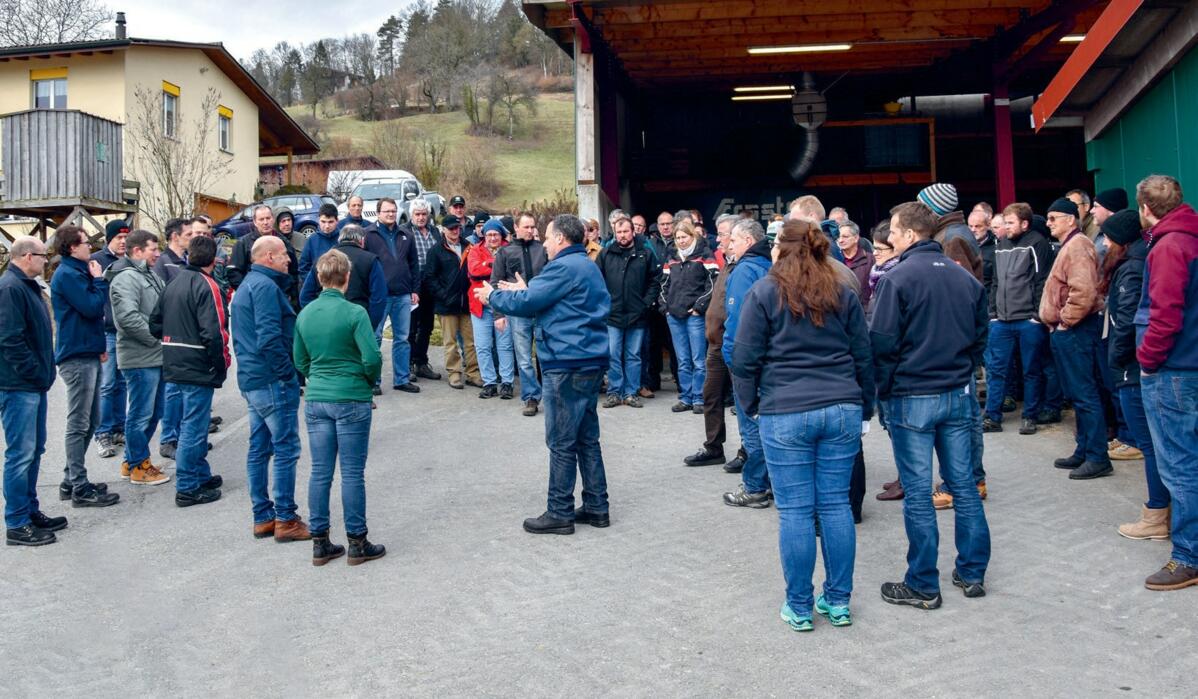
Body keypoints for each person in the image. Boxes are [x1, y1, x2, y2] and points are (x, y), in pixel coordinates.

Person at [731, 219, 874, 630]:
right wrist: (865, 408)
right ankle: (839, 600)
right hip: (841, 406)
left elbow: (743, 360)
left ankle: (798, 605)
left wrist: (753, 406)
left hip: (785, 409)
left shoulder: (764, 292)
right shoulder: (841, 291)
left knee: (795, 511)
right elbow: (863, 354)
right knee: (835, 506)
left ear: (780, 248)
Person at [871, 201, 990, 609]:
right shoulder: (963, 278)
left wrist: (883, 391)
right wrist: (964, 370)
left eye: (894, 232)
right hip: (957, 394)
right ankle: (972, 572)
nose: (890, 239)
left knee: (919, 493)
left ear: (907, 235)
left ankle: (923, 582)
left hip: (912, 396)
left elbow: (882, 343)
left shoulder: (897, 278)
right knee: (964, 488)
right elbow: (979, 335)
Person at [476, 214, 612, 535]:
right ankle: (596, 506)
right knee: (586, 438)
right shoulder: (585, 265)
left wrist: (492, 296)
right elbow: (550, 299)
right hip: (587, 360)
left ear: (562, 239)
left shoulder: (564, 267)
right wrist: (527, 290)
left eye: (548, 237)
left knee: (562, 440)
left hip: (566, 363)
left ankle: (559, 511)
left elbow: (531, 302)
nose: (545, 243)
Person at [294, 249, 386, 566]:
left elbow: (300, 359)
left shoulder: (305, 314)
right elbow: (372, 357)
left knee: (320, 472)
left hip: (318, 396)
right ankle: (357, 542)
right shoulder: (355, 313)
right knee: (351, 473)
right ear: (347, 278)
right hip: (351, 395)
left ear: (319, 278)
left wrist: (316, 376)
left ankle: (320, 541)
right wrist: (365, 380)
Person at [1133, 174, 1198, 591]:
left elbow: (1166, 312)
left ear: (1145, 209)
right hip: (1185, 363)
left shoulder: (1169, 246)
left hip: (1173, 368)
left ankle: (1188, 555)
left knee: (1179, 464)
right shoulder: (1187, 236)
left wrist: (1147, 359)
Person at [230, 236, 312, 540]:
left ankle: (263, 516)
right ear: (267, 257)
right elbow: (268, 338)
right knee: (285, 448)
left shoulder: (249, 285)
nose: (288, 259)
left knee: (259, 447)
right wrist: (287, 375)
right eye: (283, 255)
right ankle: (285, 519)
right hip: (270, 380)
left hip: (254, 379)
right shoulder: (264, 288)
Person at [1096, 210, 1164, 541]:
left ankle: (1156, 516)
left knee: (1150, 446)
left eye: (1107, 237)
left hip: (1133, 369)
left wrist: (1116, 360)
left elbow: (1126, 323)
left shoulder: (1132, 269)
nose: (1104, 242)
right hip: (1135, 366)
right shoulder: (1137, 261)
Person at [150, 236, 228, 507]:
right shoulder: (207, 285)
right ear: (212, 259)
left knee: (190, 424)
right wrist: (220, 364)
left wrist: (173, 337)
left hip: (174, 359)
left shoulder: (174, 283)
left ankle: (199, 473)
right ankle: (187, 486)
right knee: (193, 428)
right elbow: (214, 331)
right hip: (196, 362)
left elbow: (154, 323)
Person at [1, 237, 67, 545]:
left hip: (32, 384)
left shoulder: (25, 285)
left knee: (34, 451)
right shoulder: (11, 289)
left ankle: (29, 510)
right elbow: (10, 340)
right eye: (43, 256)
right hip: (18, 386)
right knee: (21, 454)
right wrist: (33, 371)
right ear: (28, 256)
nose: (46, 262)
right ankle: (16, 522)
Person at [1039, 197, 1111, 480]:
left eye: (1053, 218)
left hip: (1075, 330)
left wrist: (1066, 322)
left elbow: (1083, 292)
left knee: (1084, 394)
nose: (1048, 223)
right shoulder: (1073, 245)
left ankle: (1097, 456)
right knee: (1079, 394)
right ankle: (1084, 450)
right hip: (1069, 330)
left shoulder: (1078, 246)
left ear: (1071, 219)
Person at [50, 226, 121, 508]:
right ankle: (79, 486)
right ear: (71, 247)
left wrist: (99, 348)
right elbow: (93, 309)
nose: (89, 247)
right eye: (84, 243)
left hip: (88, 350)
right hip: (76, 355)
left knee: (91, 420)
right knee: (79, 422)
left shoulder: (77, 272)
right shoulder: (68, 275)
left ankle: (70, 480)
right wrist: (99, 281)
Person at [107, 229, 170, 486]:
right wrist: (157, 339)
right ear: (137, 252)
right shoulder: (125, 279)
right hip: (140, 357)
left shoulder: (150, 275)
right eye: (153, 249)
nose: (157, 254)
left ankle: (133, 460)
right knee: (141, 414)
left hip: (156, 356)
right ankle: (138, 465)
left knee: (155, 411)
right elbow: (128, 319)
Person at [684, 214, 747, 471]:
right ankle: (713, 447)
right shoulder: (728, 264)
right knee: (710, 395)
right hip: (716, 344)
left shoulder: (745, 267)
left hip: (734, 343)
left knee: (743, 402)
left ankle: (747, 452)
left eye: (723, 235)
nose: (718, 239)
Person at [984, 202, 1054, 435]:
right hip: (1001, 321)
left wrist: (1036, 315)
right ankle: (992, 416)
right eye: (1004, 222)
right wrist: (993, 314)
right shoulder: (1000, 245)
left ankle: (1030, 416)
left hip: (1027, 320)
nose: (1005, 226)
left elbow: (1041, 281)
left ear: (1025, 223)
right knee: (996, 369)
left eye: (1010, 222)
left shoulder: (1037, 243)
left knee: (1031, 369)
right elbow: (995, 282)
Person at [721, 219, 773, 509]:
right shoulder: (769, 266)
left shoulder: (744, 270)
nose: (730, 245)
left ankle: (755, 487)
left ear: (748, 242)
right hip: (766, 357)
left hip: (745, 359)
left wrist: (733, 356)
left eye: (735, 240)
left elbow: (739, 320)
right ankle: (770, 482)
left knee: (751, 424)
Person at [597, 213, 662, 409]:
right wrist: (604, 305)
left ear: (633, 232)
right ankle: (614, 392)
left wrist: (646, 303)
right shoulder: (605, 254)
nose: (623, 235)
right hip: (613, 314)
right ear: (614, 233)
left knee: (634, 355)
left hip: (638, 314)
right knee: (614, 354)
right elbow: (596, 282)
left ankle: (631, 392)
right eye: (619, 232)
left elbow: (655, 280)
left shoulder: (645, 254)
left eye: (626, 231)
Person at [492, 213, 548, 416]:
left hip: (542, 312)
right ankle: (531, 397)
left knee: (545, 355)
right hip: (518, 314)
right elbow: (496, 284)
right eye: (526, 227)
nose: (530, 230)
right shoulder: (505, 253)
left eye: (533, 227)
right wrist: (498, 314)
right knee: (524, 358)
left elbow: (551, 279)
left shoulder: (543, 250)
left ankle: (549, 395)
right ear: (516, 228)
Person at [660, 220, 718, 413]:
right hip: (674, 316)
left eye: (684, 237)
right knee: (682, 360)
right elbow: (663, 284)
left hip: (695, 316)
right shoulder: (672, 256)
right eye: (677, 238)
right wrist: (665, 307)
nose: (681, 241)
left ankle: (699, 398)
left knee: (698, 360)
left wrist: (698, 307)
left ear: (693, 236)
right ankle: (685, 397)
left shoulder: (704, 254)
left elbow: (713, 284)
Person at [364, 197, 420, 394]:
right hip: (379, 296)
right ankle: (373, 381)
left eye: (393, 211)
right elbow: (364, 265)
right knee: (375, 338)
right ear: (378, 213)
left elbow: (414, 264)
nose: (390, 214)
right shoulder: (368, 234)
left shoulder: (406, 234)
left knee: (402, 338)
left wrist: (415, 289)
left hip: (403, 294)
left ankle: (401, 379)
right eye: (386, 211)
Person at [422, 214, 482, 391]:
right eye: (451, 228)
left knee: (471, 342)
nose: (455, 231)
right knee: (450, 342)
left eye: (457, 228)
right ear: (443, 230)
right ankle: (454, 373)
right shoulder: (435, 251)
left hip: (466, 303)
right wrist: (443, 295)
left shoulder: (469, 246)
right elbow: (430, 278)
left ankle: (473, 373)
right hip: (446, 305)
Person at [154, 217, 194, 462]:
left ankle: (183, 438)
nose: (192, 238)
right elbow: (161, 300)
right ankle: (169, 438)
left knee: (182, 390)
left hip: (186, 333)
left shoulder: (184, 261)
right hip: (172, 336)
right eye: (188, 234)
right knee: (173, 390)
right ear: (174, 237)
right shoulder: (164, 263)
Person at [300, 225, 388, 328]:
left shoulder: (323, 260)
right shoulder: (371, 260)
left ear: (339, 239)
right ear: (362, 241)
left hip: (326, 320)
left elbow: (305, 296)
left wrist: (317, 318)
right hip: (358, 321)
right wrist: (369, 325)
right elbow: (379, 298)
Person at [92, 219, 129, 458]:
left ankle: (118, 427)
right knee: (106, 384)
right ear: (109, 239)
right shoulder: (97, 261)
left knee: (122, 382)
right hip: (106, 330)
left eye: (126, 238)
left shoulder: (128, 261)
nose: (124, 242)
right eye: (119, 238)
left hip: (125, 330)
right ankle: (102, 432)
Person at [467, 219, 516, 398]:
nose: (492, 238)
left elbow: (511, 272)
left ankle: (507, 382)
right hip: (480, 305)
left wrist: (486, 265)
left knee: (504, 345)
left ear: (501, 235)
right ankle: (489, 382)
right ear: (483, 235)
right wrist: (494, 264)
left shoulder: (509, 248)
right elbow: (473, 271)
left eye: (495, 234)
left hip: (503, 304)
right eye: (489, 235)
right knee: (483, 346)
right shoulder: (474, 250)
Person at [403, 198, 442, 381]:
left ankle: (421, 362)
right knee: (411, 327)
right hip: (413, 285)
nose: (421, 217)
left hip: (431, 285)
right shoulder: (404, 231)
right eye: (417, 214)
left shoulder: (434, 232)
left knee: (427, 326)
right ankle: (409, 363)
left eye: (424, 214)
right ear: (411, 215)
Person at [227, 204, 300, 298]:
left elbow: (293, 272)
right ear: (255, 222)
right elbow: (234, 273)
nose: (265, 222)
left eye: (268, 218)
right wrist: (248, 292)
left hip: (280, 296)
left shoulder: (283, 242)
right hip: (253, 296)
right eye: (261, 219)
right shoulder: (243, 243)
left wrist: (286, 293)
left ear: (273, 219)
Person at [642, 211, 677, 395]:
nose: (665, 227)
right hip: (655, 303)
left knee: (674, 344)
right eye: (662, 224)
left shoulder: (680, 242)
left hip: (674, 302)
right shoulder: (650, 244)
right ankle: (653, 381)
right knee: (653, 344)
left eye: (668, 223)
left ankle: (679, 381)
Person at [916, 182, 979, 252]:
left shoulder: (952, 239)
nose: (917, 210)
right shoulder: (948, 232)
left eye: (921, 206)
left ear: (933, 210)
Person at [298, 204, 341, 297]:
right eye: (323, 222)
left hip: (340, 290)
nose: (327, 226)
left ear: (337, 221)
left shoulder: (342, 239)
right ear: (318, 220)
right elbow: (303, 266)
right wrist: (313, 284)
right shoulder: (312, 240)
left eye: (330, 222)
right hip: (318, 291)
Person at [837, 220, 876, 308]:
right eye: (838, 237)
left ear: (856, 238)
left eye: (845, 237)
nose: (840, 240)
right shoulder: (835, 260)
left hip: (864, 313)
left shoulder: (871, 260)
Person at [152, 217, 192, 284]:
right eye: (189, 234)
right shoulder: (161, 262)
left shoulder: (192, 259)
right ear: (175, 236)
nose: (193, 237)